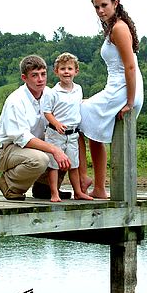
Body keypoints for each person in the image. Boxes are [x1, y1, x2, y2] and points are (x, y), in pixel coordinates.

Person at [79, 0, 144, 198]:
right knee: (87, 123)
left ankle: (85, 178)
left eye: (104, 5)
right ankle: (98, 187)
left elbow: (130, 67)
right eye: (96, 7)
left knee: (77, 115)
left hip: (124, 89)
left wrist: (130, 102)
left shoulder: (119, 28)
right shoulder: (111, 28)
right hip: (115, 87)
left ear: (115, 4)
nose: (100, 10)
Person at [0, 55, 71, 200]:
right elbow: (22, 138)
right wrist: (54, 149)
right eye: (34, 75)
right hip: (6, 150)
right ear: (24, 78)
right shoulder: (16, 101)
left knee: (67, 145)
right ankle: (10, 185)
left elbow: (67, 110)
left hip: (34, 147)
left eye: (43, 74)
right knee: (41, 159)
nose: (40, 79)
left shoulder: (50, 94)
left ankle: (44, 189)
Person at [42, 53, 93, 202]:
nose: (66, 72)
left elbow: (78, 105)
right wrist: (56, 123)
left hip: (72, 134)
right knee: (54, 165)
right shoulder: (52, 93)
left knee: (73, 165)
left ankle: (78, 192)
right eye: (62, 68)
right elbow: (47, 112)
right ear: (56, 72)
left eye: (70, 68)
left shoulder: (78, 89)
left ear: (76, 71)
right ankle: (54, 193)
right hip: (55, 133)